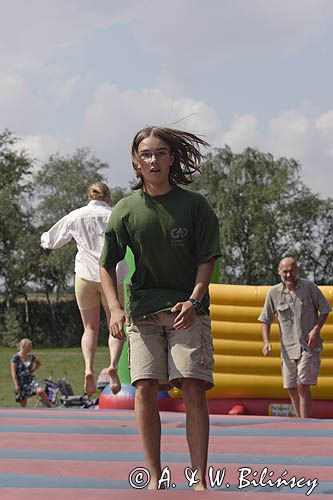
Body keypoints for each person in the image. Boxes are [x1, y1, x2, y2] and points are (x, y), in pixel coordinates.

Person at [99, 126, 221, 490]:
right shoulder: (125, 210)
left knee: (192, 386)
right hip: (144, 313)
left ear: (172, 158)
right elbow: (106, 266)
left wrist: (195, 299)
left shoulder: (194, 205)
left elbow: (207, 258)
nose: (154, 160)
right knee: (145, 387)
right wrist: (115, 309)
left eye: (161, 153)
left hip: (188, 312)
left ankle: (200, 478)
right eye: (147, 154)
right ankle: (155, 478)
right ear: (136, 162)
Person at [40, 182, 128, 395]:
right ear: (109, 197)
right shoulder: (116, 214)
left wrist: (43, 239)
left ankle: (88, 368)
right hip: (112, 276)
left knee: (90, 328)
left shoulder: (76, 215)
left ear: (89, 196)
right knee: (115, 325)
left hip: (85, 277)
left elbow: (50, 241)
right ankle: (113, 366)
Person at [259, 257, 332, 418]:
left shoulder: (309, 287)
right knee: (291, 387)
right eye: (284, 271)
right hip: (288, 349)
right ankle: (300, 419)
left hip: (309, 346)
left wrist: (316, 329)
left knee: (302, 385)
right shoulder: (274, 293)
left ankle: (305, 422)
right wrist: (266, 342)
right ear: (279, 272)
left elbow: (325, 309)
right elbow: (265, 319)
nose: (288, 274)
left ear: (297, 270)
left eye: (291, 270)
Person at [11, 338, 51, 407]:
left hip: (31, 380)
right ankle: (23, 416)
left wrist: (33, 370)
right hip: (21, 383)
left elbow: (39, 363)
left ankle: (50, 408)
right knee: (23, 404)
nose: (31, 348)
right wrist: (16, 385)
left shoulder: (31, 357)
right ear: (23, 346)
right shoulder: (16, 357)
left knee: (40, 391)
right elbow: (13, 372)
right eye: (29, 346)